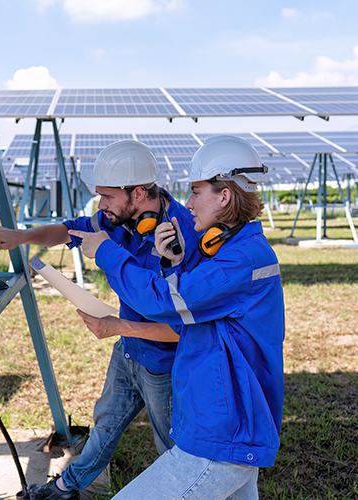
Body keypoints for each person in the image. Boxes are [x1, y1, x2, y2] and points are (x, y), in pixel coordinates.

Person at [0, 140, 202, 500]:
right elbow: (68, 231)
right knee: (106, 424)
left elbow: (188, 327)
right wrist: (20, 236)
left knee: (174, 452)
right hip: (129, 351)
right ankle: (65, 488)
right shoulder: (118, 221)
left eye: (107, 197)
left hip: (166, 365)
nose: (101, 206)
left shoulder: (186, 237)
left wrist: (120, 326)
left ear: (138, 193)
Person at [69, 135, 285, 500]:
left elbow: (164, 303)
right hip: (223, 424)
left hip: (220, 434)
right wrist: (172, 263)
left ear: (224, 196)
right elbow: (191, 309)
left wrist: (106, 252)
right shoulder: (233, 251)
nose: (187, 203)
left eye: (196, 191)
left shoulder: (241, 260)